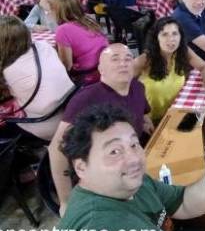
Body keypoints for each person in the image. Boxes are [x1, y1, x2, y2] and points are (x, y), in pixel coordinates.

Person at [53, 103, 205, 231]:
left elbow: (184, 203)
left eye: (133, 144)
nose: (133, 158)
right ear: (81, 167)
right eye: (114, 151)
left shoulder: (134, 183)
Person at [48, 43, 154, 216]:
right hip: (102, 175)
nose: (123, 63)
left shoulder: (137, 87)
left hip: (131, 161)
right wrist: (66, 201)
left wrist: (146, 121)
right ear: (101, 69)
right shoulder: (86, 99)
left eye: (128, 58)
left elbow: (142, 111)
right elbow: (56, 149)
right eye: (115, 59)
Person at [0, 16, 74, 141]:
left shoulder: (9, 70)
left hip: (43, 126)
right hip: (68, 116)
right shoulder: (44, 46)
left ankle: (14, 153)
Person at [134, 17, 205, 123]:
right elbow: (121, 89)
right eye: (164, 34)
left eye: (175, 34)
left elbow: (203, 66)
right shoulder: (144, 60)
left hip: (177, 113)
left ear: (180, 37)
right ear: (156, 38)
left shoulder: (182, 51)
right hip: (153, 121)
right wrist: (142, 117)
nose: (171, 39)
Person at [54, 0, 109, 85]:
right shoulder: (89, 21)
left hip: (87, 77)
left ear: (57, 10)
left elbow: (67, 66)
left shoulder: (63, 30)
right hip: (104, 71)